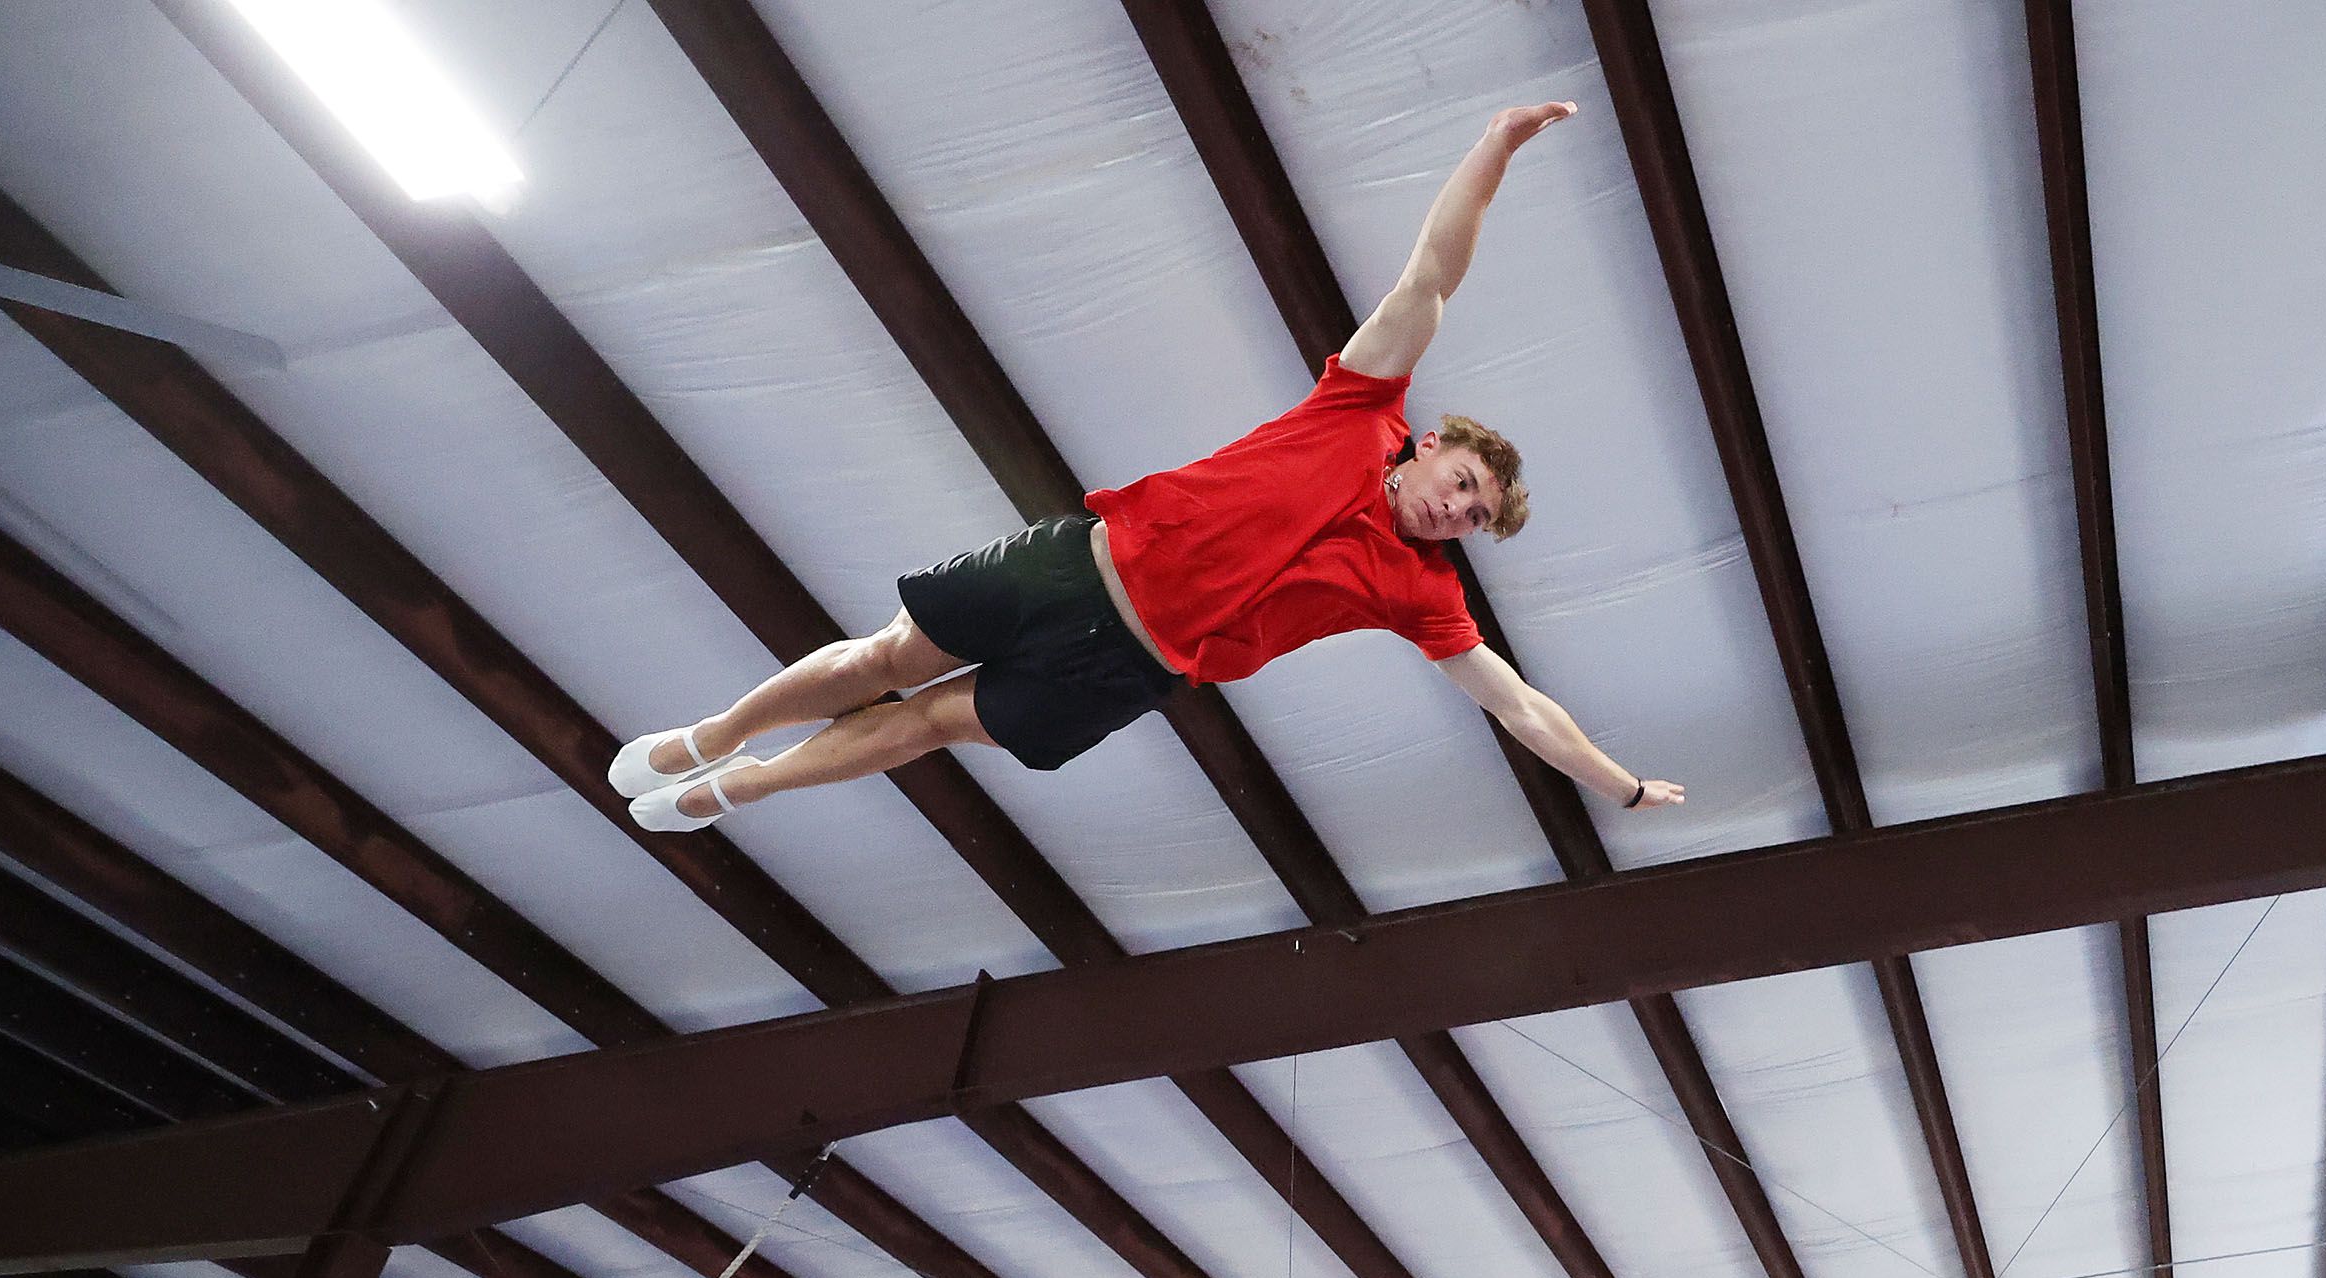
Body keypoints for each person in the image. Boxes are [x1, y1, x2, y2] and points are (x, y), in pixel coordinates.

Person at [610, 102, 1686, 832]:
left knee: (931, 725)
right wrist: (1494, 147)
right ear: (1433, 445)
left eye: (1477, 519)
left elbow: (1519, 707)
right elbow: (1431, 277)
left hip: (1130, 668)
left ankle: (744, 788)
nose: (1459, 512)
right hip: (1077, 566)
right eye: (1465, 485)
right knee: (891, 657)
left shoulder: (1424, 594)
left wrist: (1622, 786)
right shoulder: (1360, 408)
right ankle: (716, 734)